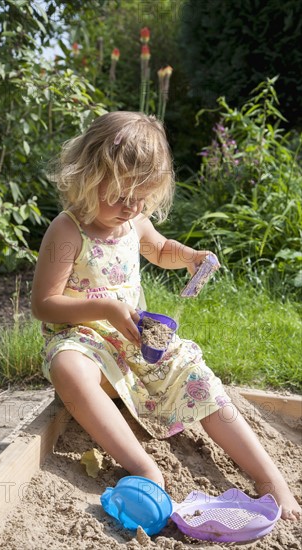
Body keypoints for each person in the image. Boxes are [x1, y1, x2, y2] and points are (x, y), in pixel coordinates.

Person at [31, 111, 300, 521]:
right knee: (68, 368)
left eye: (141, 199)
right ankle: (144, 468)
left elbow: (159, 249)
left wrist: (190, 257)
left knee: (196, 374)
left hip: (137, 339)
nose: (131, 207)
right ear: (88, 174)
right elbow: (44, 303)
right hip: (84, 341)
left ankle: (269, 478)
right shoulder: (67, 231)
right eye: (121, 195)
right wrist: (103, 307)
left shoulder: (133, 222)